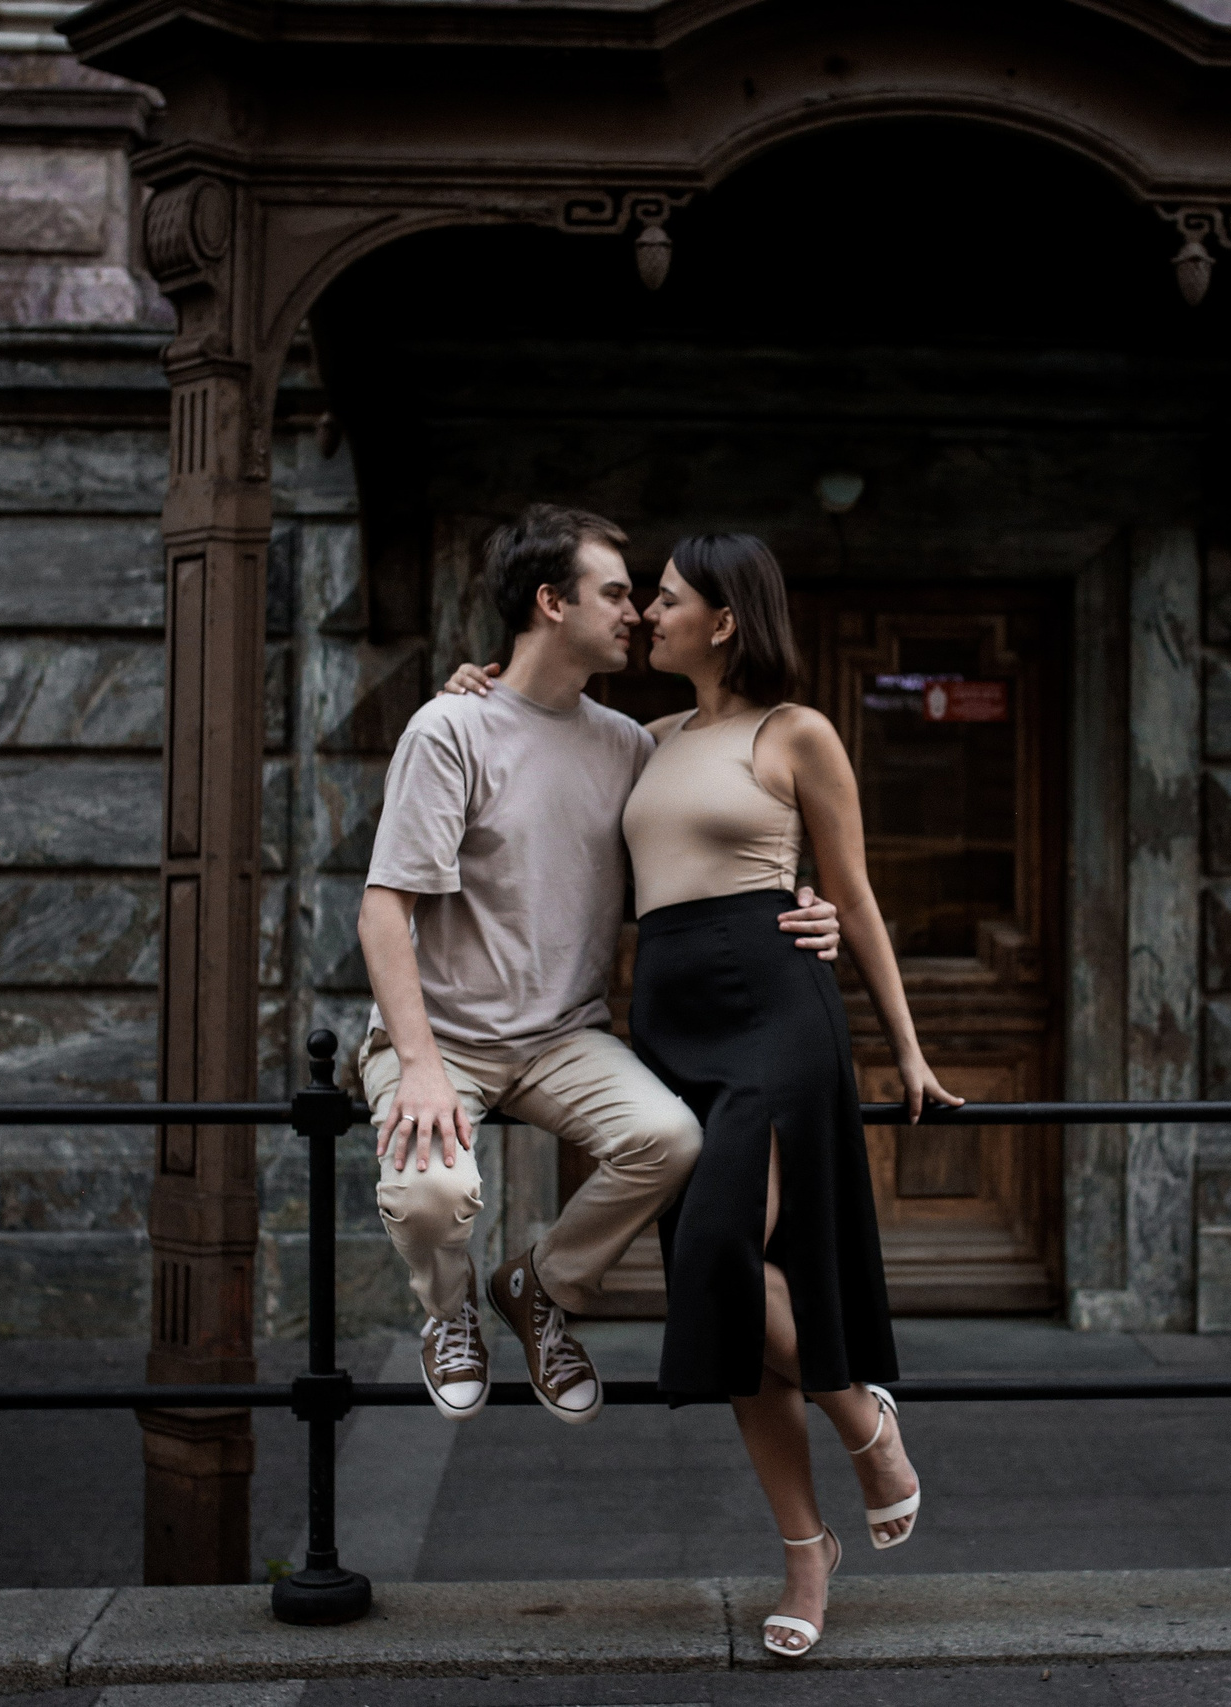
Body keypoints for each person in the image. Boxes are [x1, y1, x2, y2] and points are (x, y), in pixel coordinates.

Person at [445, 532, 954, 1659]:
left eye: (663, 601)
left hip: (775, 1008)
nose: (642, 617)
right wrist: (480, 686)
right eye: (638, 600)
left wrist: (905, 1050)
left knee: (721, 1246)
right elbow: (540, 745)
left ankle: (864, 1423)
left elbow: (856, 900)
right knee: (711, 1290)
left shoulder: (797, 733)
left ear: (723, 620)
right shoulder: (644, 738)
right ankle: (805, 1552)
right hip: (670, 1020)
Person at [357, 504, 840, 1430]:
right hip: (443, 1035)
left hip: (564, 1037)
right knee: (433, 1192)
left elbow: (724, 802)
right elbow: (384, 909)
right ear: (550, 602)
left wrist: (802, 896)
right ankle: (450, 1310)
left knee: (671, 1138)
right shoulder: (446, 730)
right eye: (617, 593)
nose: (639, 612)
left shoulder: (630, 743)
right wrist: (417, 1064)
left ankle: (538, 1288)